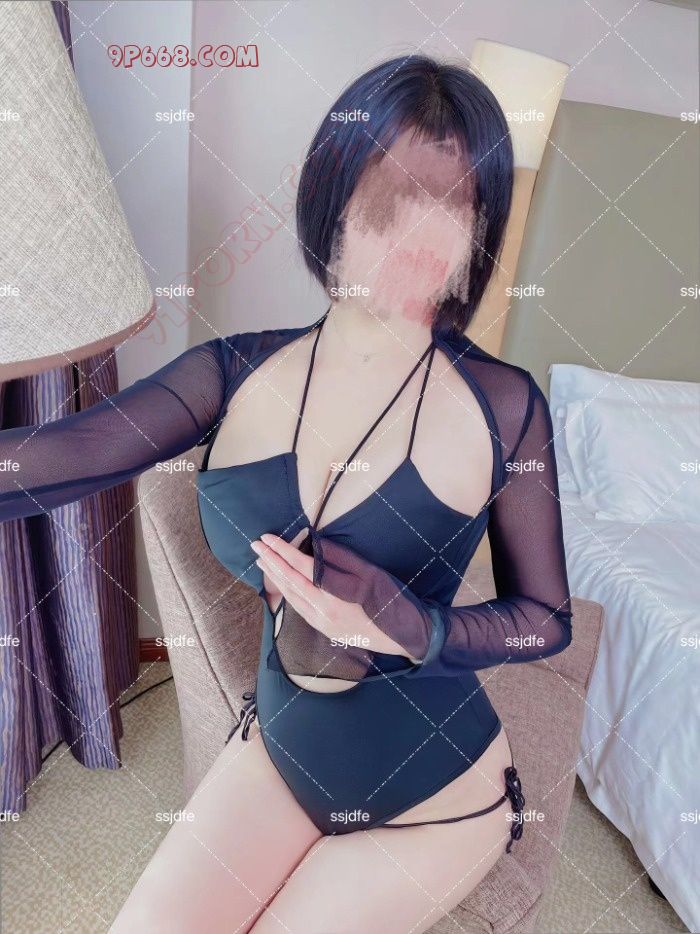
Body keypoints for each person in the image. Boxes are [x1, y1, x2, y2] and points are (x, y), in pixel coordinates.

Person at [0, 56, 572, 933]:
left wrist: (412, 624)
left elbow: (545, 620)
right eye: (391, 199)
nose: (421, 234)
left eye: (455, 204)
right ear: (333, 203)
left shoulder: (506, 406)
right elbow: (58, 456)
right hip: (285, 751)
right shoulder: (232, 373)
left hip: (438, 796)